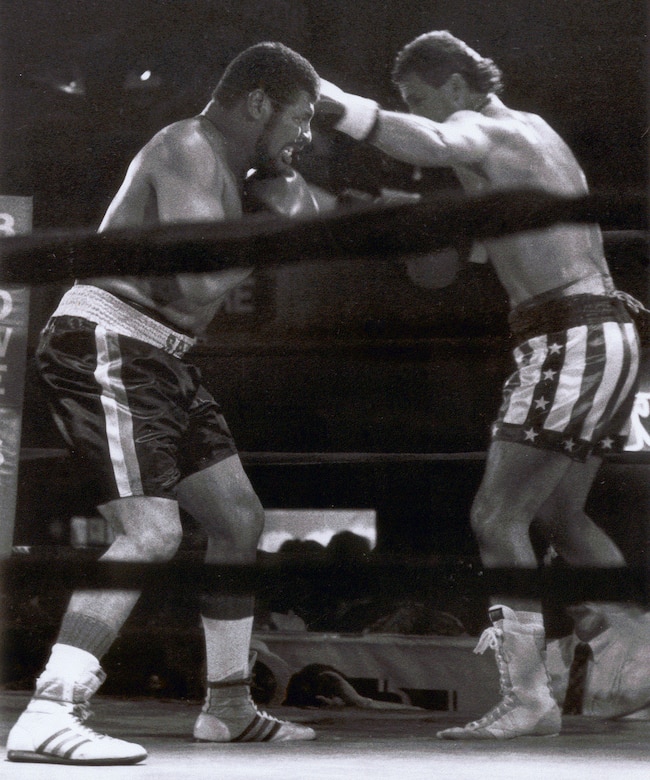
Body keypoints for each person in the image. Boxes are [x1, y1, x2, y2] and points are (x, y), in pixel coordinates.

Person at [316, 30, 642, 739]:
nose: (424, 113)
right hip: (604, 329)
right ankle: (627, 642)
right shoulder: (535, 132)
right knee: (559, 516)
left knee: (496, 518)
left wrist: (339, 107)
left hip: (568, 335)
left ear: (459, 86)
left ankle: (532, 694)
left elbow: (440, 144)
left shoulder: (476, 126)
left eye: (422, 98)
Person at [7, 41, 322, 765]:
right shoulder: (186, 146)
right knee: (151, 532)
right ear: (257, 103)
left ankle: (229, 706)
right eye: (300, 119)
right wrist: (273, 224)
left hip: (163, 356)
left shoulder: (222, 163)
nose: (305, 138)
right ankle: (51, 708)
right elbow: (198, 287)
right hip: (108, 341)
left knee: (238, 519)